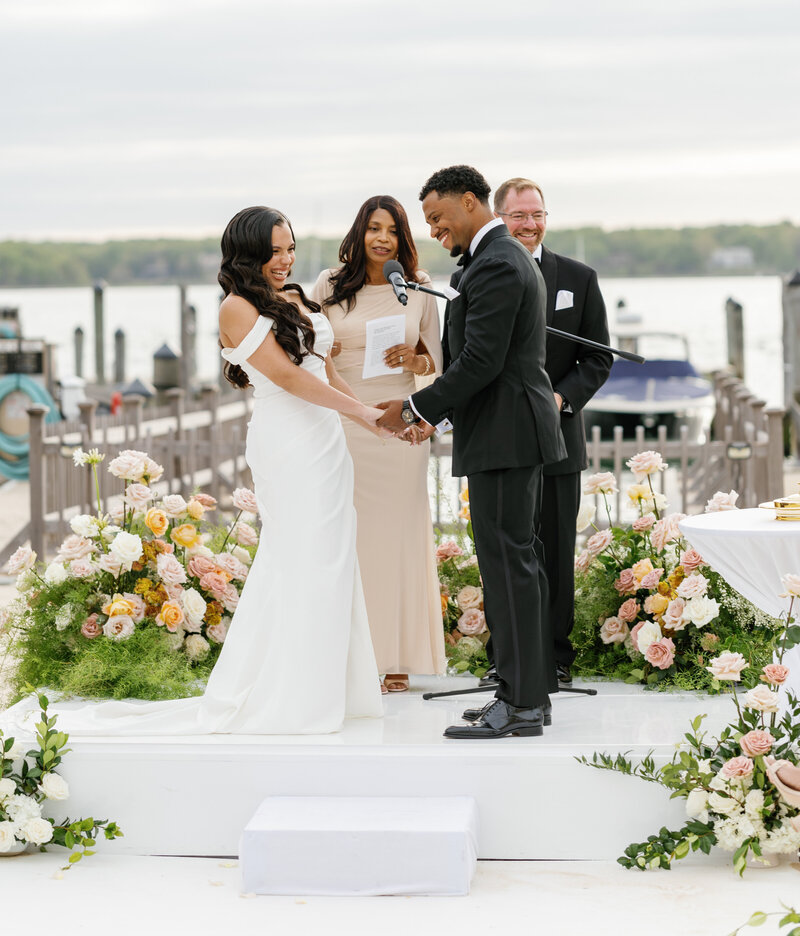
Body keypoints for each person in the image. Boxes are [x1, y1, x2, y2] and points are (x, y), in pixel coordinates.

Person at [40, 206, 385, 736]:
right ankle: (290, 694)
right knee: (301, 557)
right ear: (247, 253)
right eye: (274, 251)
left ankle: (334, 686)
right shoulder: (236, 308)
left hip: (326, 442)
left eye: (290, 247)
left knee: (333, 556)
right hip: (288, 443)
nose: (285, 259)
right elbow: (290, 379)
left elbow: (325, 369)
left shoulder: (295, 296)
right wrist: (360, 412)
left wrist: (375, 416)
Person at [377, 166, 566, 739]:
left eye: (437, 216)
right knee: (511, 565)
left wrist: (416, 409)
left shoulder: (500, 263)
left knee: (510, 568)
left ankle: (523, 706)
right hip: (501, 430)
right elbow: (481, 361)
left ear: (468, 202)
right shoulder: (495, 260)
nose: (434, 228)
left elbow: (481, 361)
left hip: (508, 434)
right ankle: (521, 693)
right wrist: (436, 412)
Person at [312, 195, 446, 691]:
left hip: (398, 426)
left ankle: (394, 657)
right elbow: (304, 348)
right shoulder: (328, 284)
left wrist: (415, 363)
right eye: (373, 227)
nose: (381, 238)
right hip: (344, 422)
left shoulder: (419, 288)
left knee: (397, 541)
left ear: (403, 238)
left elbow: (439, 361)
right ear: (359, 232)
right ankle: (344, 654)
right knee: (348, 540)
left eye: (391, 229)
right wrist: (329, 348)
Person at [494, 177, 612, 683]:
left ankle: (556, 661)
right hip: (501, 439)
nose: (529, 224)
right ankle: (508, 661)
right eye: (518, 215)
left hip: (561, 438)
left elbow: (598, 356)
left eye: (537, 214)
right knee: (505, 551)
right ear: (500, 219)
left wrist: (558, 399)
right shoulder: (481, 274)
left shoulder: (578, 278)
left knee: (556, 551)